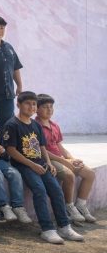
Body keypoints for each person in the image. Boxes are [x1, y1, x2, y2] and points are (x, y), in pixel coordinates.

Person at [3, 91, 84, 244]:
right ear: (18, 105)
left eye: (34, 104)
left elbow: (42, 147)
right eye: (27, 103)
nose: (31, 107)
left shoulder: (35, 125)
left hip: (41, 164)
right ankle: (47, 229)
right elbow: (11, 150)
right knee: (39, 190)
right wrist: (32, 165)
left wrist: (48, 163)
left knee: (56, 190)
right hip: (23, 165)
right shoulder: (12, 125)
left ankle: (64, 226)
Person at [35, 94, 96, 223]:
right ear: (37, 109)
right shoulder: (35, 126)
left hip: (61, 158)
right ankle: (69, 207)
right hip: (48, 159)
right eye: (45, 107)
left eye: (51, 107)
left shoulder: (54, 125)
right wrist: (64, 161)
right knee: (69, 175)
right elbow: (41, 150)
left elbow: (59, 146)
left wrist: (72, 159)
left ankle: (81, 205)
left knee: (89, 173)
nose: (49, 109)